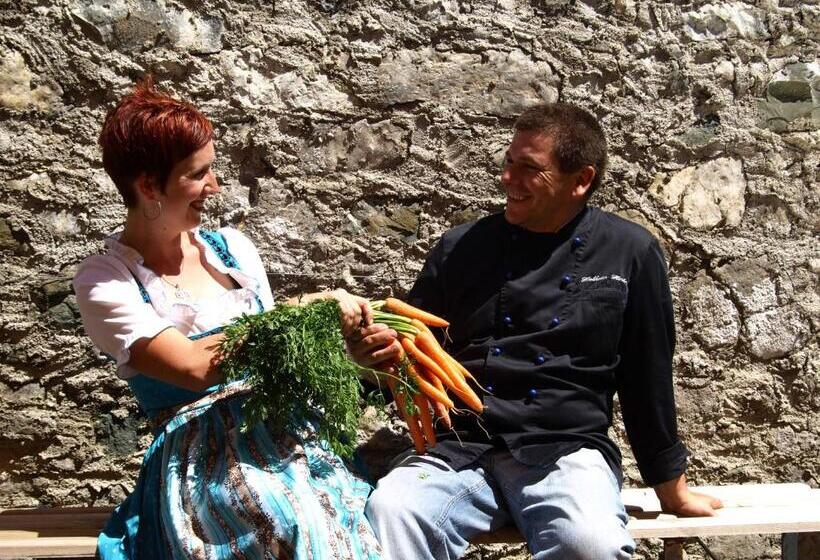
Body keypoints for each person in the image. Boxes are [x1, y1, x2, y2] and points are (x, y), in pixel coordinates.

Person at [363, 102, 723, 559]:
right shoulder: (459, 248)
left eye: (528, 168)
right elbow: (409, 357)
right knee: (392, 512)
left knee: (591, 544)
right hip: (460, 448)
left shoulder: (629, 252)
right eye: (508, 162)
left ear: (582, 180)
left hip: (566, 453)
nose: (507, 179)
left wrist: (671, 488)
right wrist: (375, 357)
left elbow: (646, 377)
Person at [73, 77, 397, 560]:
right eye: (198, 174)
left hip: (286, 432)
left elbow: (279, 361)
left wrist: (355, 355)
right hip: (203, 454)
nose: (215, 186)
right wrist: (295, 312)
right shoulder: (105, 279)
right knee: (278, 519)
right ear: (147, 186)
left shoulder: (234, 251)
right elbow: (192, 367)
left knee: (341, 516)